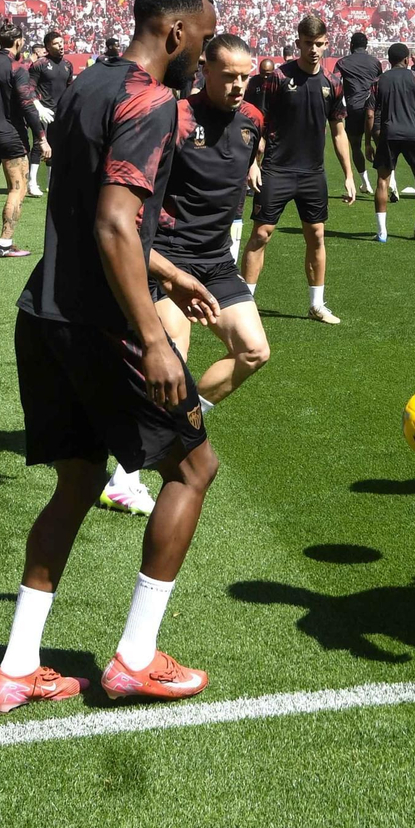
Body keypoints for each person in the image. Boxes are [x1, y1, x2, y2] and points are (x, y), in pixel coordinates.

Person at [0, 0, 221, 712]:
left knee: (80, 480)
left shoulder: (88, 83)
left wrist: (169, 271)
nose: (204, 52)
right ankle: (136, 658)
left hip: (45, 313)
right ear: (176, 33)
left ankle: (16, 668)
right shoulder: (154, 101)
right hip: (105, 325)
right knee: (194, 468)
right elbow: (114, 221)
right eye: (203, 38)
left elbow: (87, 206)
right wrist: (152, 336)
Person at [102, 34, 270, 516]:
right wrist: (154, 259)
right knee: (173, 360)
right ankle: (125, 477)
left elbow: (247, 161)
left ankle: (180, 427)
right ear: (204, 72)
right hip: (167, 256)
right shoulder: (173, 117)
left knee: (254, 351)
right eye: (229, 77)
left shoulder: (253, 120)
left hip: (215, 260)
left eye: (245, 77)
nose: (238, 86)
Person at [239, 14, 355, 325]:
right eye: (308, 43)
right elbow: (254, 123)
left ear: (327, 44)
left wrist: (348, 174)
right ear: (298, 43)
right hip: (276, 169)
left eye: (319, 44)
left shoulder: (333, 83)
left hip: (313, 173)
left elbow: (339, 131)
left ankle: (316, 305)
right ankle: (245, 305)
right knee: (261, 234)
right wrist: (252, 163)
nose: (313, 50)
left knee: (316, 236)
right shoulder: (278, 78)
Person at [0, 22, 50, 257]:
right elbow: (27, 105)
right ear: (18, 42)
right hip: (12, 138)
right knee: (17, 189)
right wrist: (41, 137)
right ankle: (5, 244)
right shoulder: (17, 68)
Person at [365, 42, 415, 242]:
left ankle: (382, 232)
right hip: (413, 134)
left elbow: (370, 115)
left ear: (389, 60)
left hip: (388, 134)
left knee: (382, 181)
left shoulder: (378, 81)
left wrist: (368, 143)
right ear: (407, 59)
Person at [26, 30, 75, 199]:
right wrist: (38, 106)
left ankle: (50, 182)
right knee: (38, 145)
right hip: (42, 111)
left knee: (55, 145)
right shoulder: (39, 64)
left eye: (62, 42)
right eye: (56, 43)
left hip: (59, 113)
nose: (61, 46)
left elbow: (70, 88)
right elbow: (29, 88)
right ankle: (32, 183)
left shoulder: (68, 65)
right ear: (47, 46)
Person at [336, 31, 385, 196]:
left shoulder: (343, 62)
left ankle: (365, 183)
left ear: (351, 45)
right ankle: (391, 184)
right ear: (366, 46)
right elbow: (381, 83)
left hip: (354, 108)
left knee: (355, 145)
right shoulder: (375, 62)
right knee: (381, 146)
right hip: (374, 107)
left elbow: (334, 81)